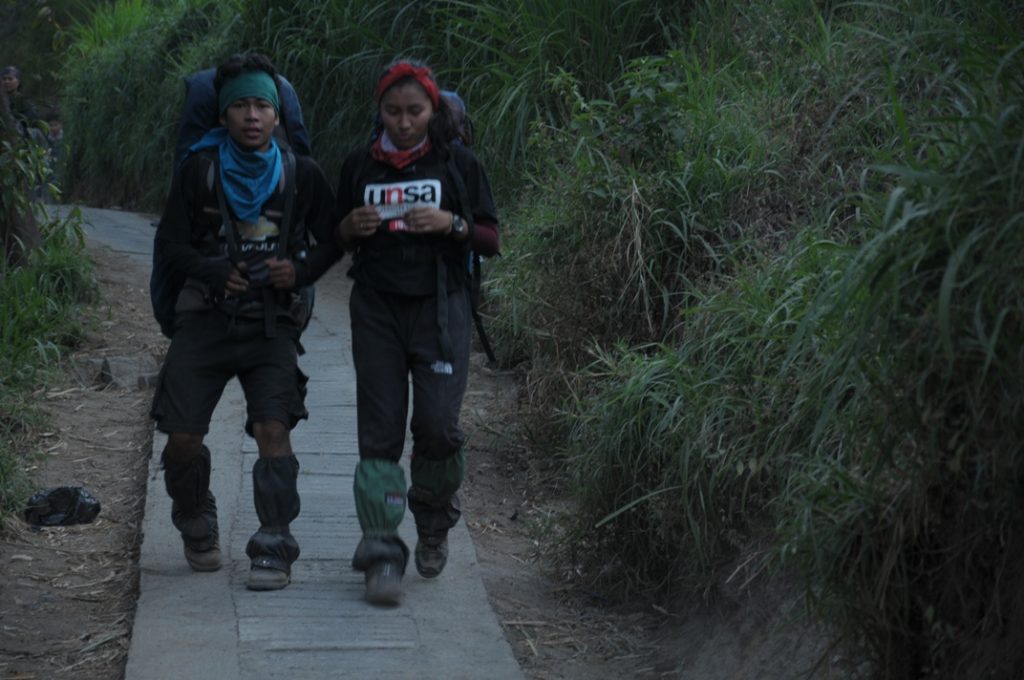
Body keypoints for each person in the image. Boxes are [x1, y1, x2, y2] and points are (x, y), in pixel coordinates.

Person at [150, 53, 341, 591]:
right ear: (223, 116)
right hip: (205, 322)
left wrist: (299, 270)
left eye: (262, 105)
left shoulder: (302, 174)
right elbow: (170, 243)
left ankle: (273, 546)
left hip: (271, 325)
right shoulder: (199, 172)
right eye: (240, 105)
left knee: (273, 430)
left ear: (277, 116)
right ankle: (195, 518)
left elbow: (332, 238)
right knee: (182, 437)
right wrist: (212, 271)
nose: (252, 115)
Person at [334, 60, 500, 605]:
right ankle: (382, 552)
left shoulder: (458, 164)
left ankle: (433, 521)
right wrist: (348, 227)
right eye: (393, 111)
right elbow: (334, 234)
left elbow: (490, 237)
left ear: (434, 111)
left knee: (436, 426)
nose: (404, 122)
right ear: (378, 111)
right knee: (379, 434)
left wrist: (451, 225)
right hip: (377, 309)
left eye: (415, 111)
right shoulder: (360, 164)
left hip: (442, 309)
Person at [1, 65, 41, 138]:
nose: (6, 82)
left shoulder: (25, 102)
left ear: (18, 81)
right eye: (4, 79)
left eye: (10, 79)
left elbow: (33, 125)